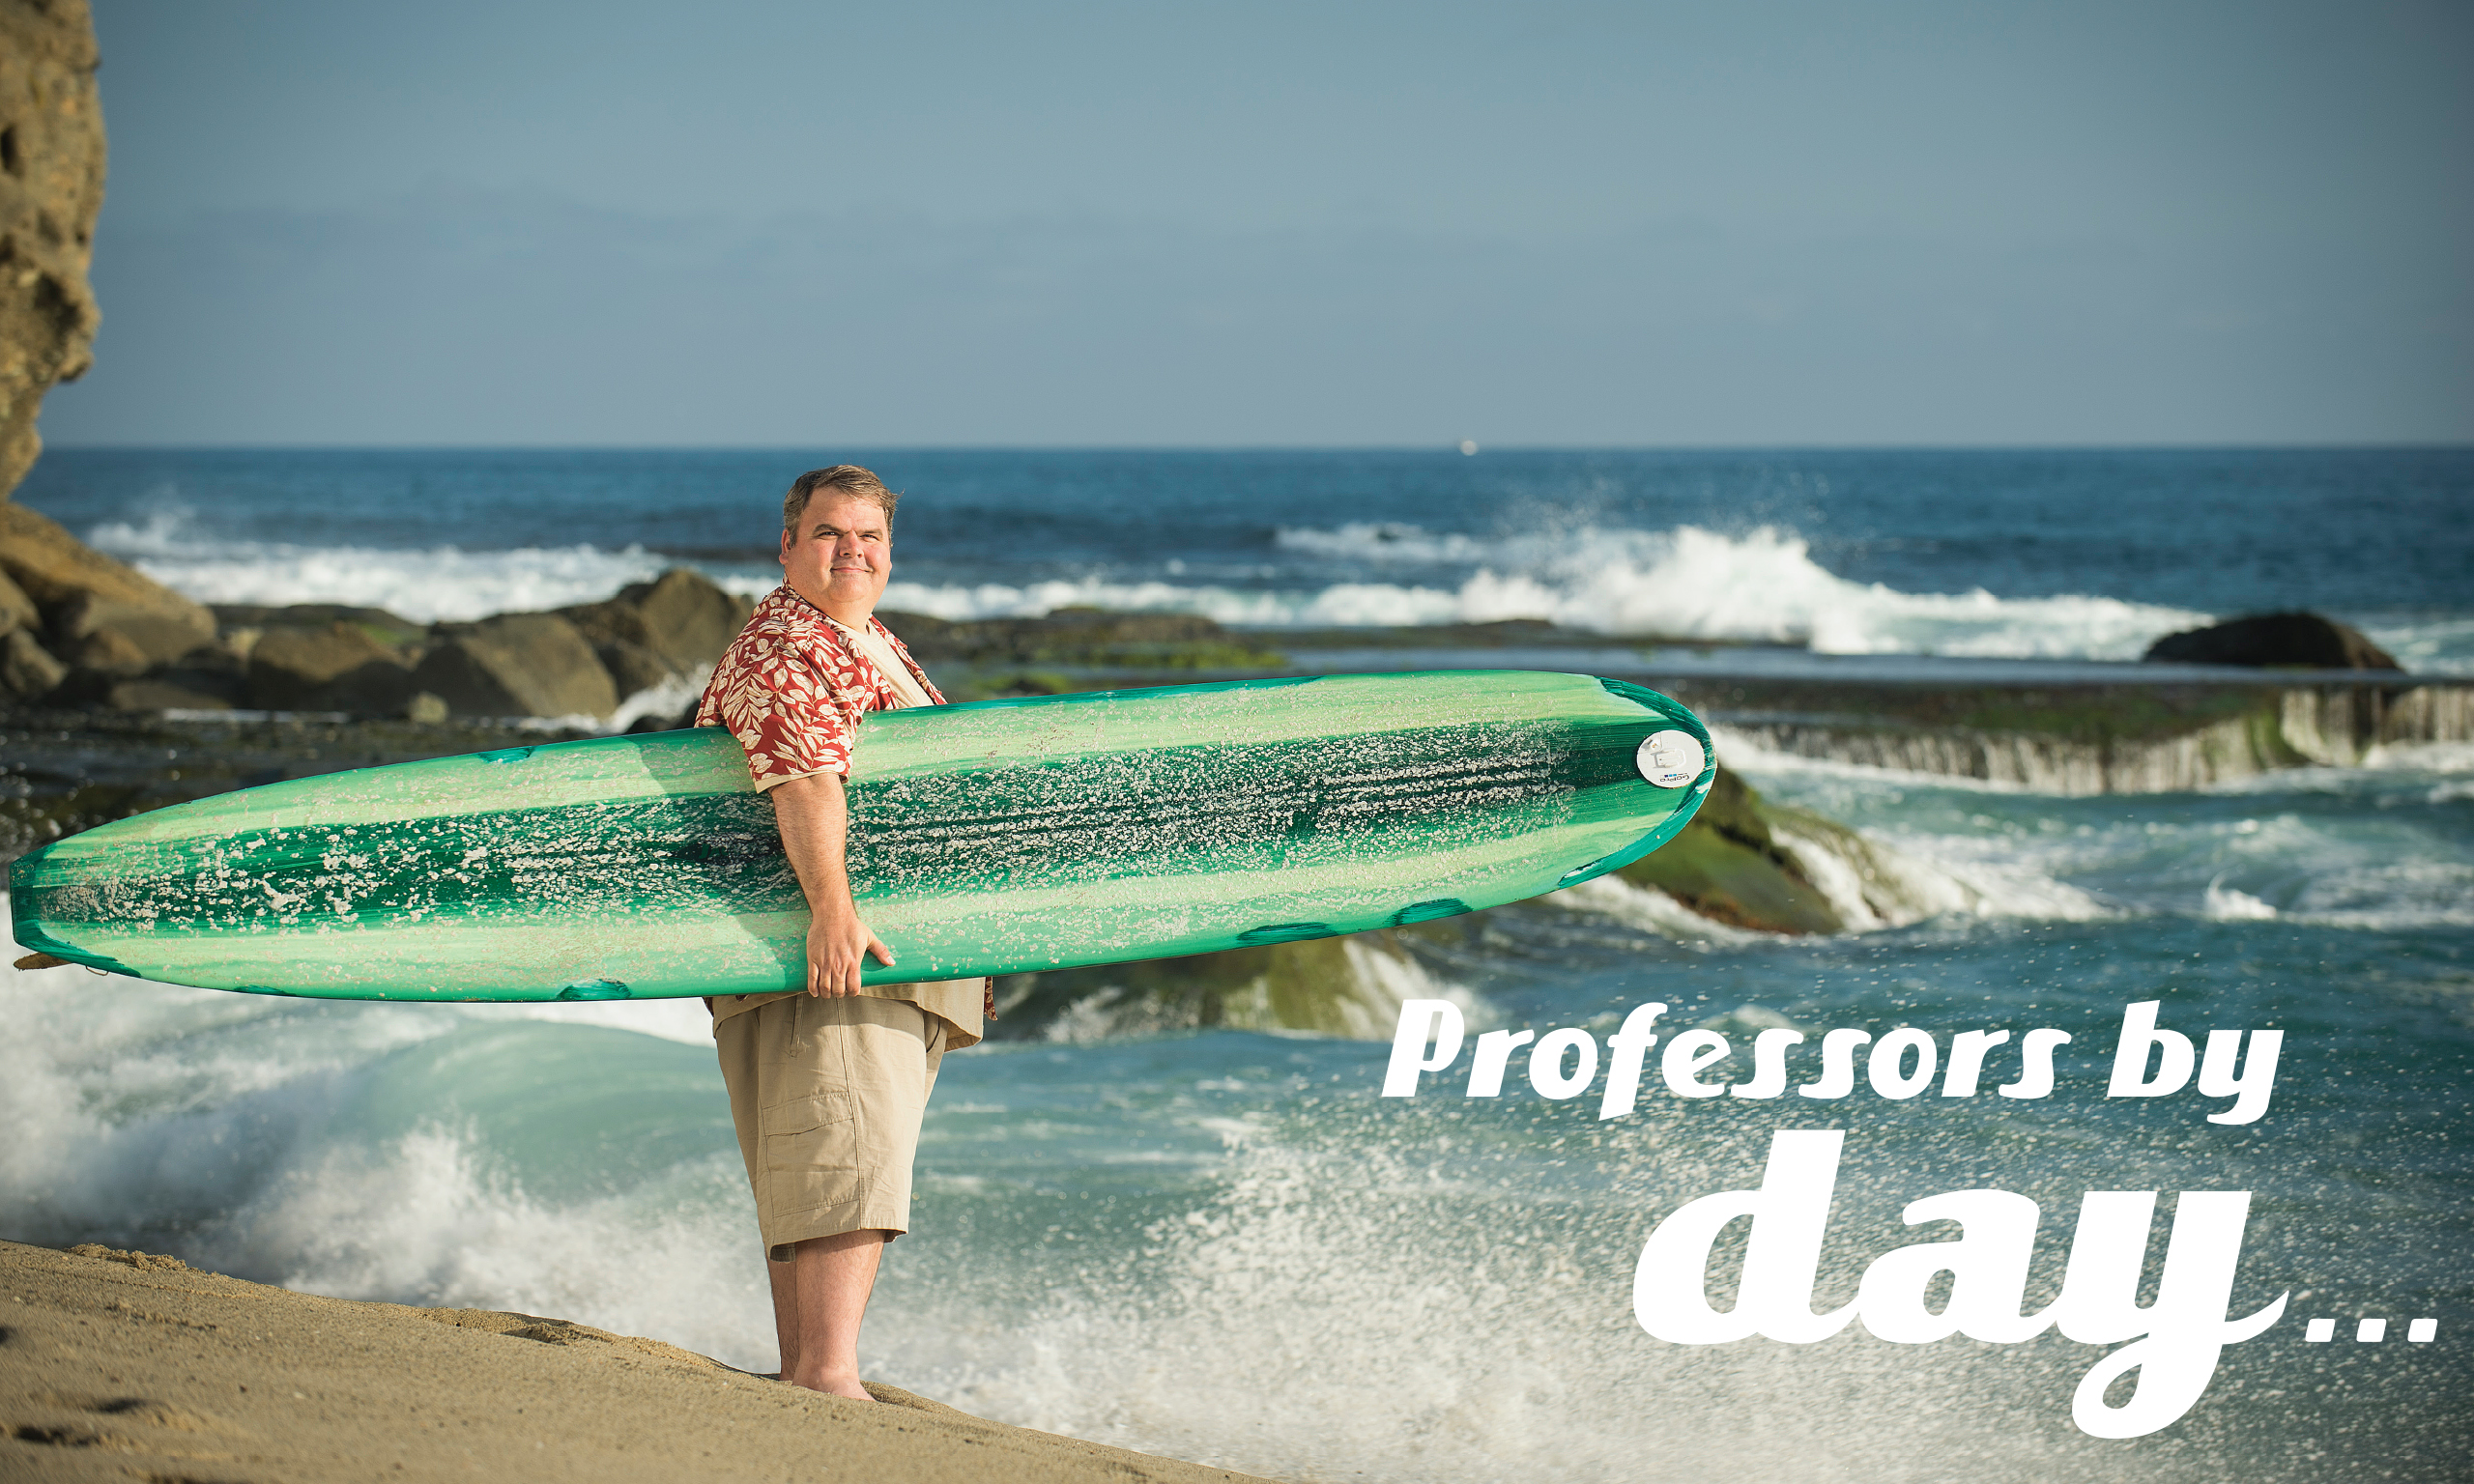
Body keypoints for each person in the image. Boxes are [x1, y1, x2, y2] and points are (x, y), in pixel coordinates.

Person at [694, 464, 988, 1402]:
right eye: (829, 534)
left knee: (819, 1165)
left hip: (860, 954)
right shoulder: (788, 645)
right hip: (833, 954)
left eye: (869, 538)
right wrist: (832, 908)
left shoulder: (863, 640)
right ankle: (827, 1381)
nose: (851, 552)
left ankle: (808, 1373)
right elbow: (805, 776)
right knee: (845, 1160)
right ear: (787, 547)